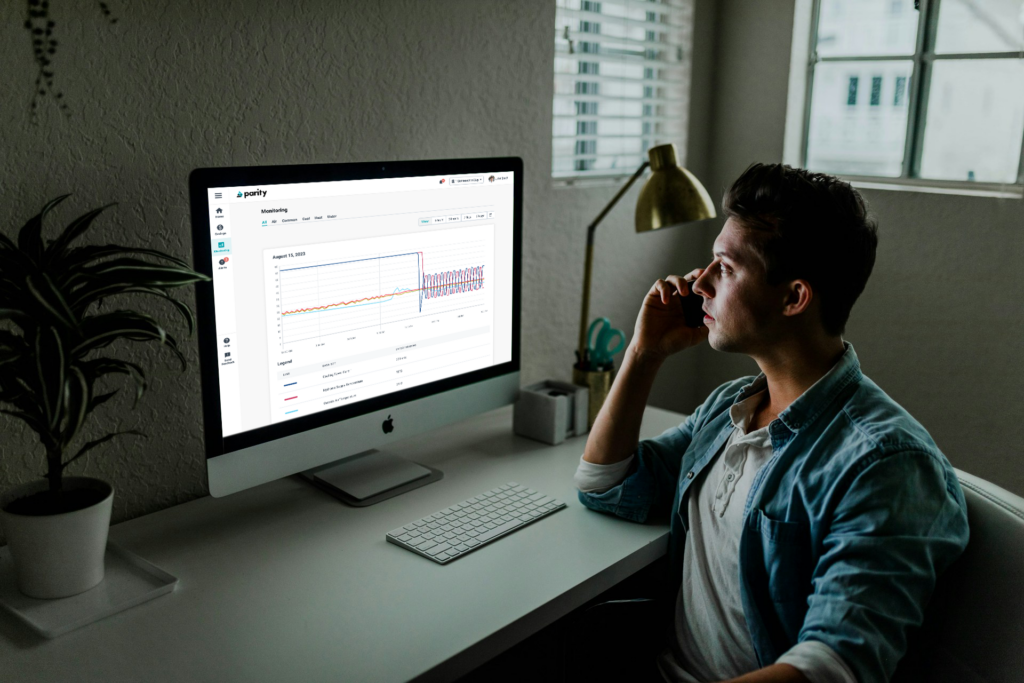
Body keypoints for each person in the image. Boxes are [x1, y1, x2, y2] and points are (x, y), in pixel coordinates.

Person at [574, 163, 969, 683]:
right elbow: (607, 484)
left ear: (794, 298)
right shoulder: (731, 408)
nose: (700, 284)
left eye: (726, 267)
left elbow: (832, 666)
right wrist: (645, 352)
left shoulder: (886, 465)